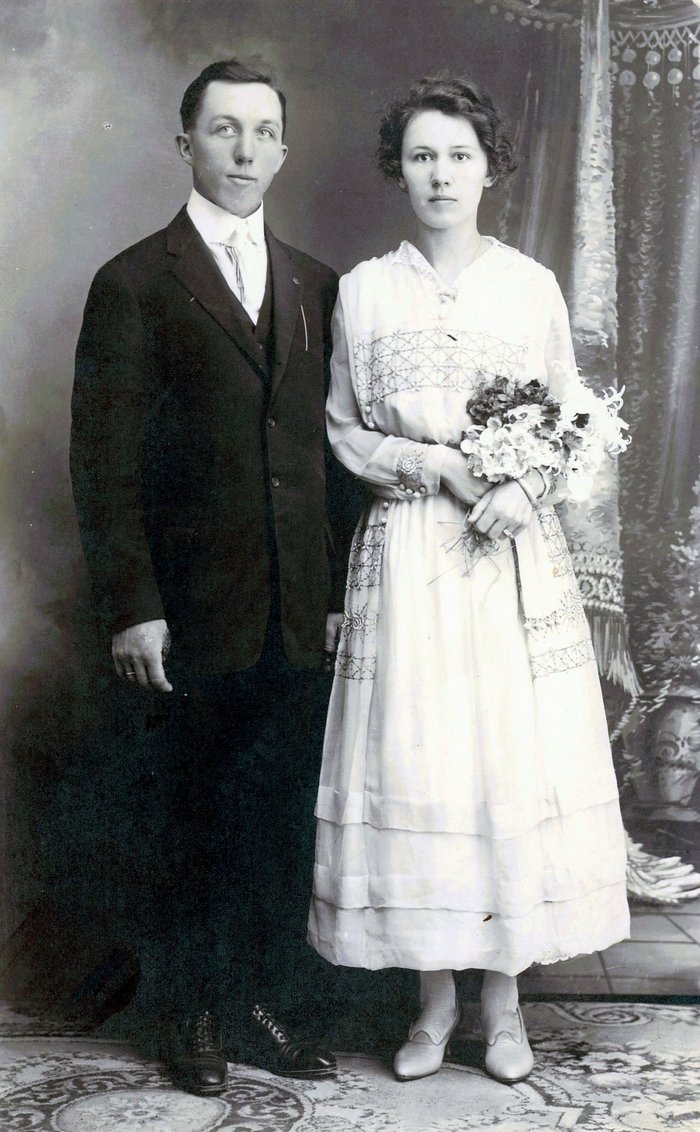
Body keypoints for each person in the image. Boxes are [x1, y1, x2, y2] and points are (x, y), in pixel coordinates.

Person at [307, 76, 630, 1085]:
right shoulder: (364, 289)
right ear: (395, 169)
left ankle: (503, 1006)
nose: (439, 174)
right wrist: (428, 464)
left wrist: (525, 490)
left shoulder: (527, 285)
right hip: (406, 554)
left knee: (499, 766)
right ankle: (431, 1004)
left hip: (504, 561)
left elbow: (571, 417)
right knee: (420, 762)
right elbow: (343, 425)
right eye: (420, 156)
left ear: (491, 166)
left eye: (458, 155)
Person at [71, 58, 358, 1095]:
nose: (245, 151)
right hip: (187, 612)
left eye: (262, 132)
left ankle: (255, 1003)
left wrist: (333, 594)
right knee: (188, 809)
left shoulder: (317, 283)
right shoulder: (135, 281)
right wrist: (133, 606)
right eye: (224, 130)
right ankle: (189, 1008)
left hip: (294, 610)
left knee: (275, 812)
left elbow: (329, 458)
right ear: (183, 140)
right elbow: (102, 463)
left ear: (283, 147)